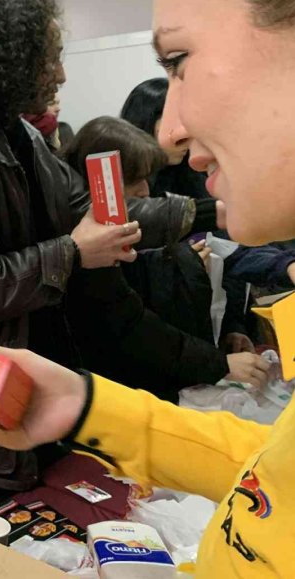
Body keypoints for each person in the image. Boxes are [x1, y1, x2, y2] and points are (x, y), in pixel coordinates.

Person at [0, 0, 295, 575]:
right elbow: (274, 479)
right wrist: (86, 401)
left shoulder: (28, 144)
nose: (169, 130)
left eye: (182, 60)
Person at [0, 0, 202, 543]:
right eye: (50, 57)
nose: (60, 72)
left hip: (28, 378)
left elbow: (93, 213)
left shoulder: (25, 139)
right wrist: (72, 253)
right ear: (12, 61)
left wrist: (202, 211)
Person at [60, 116, 267, 397]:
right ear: (100, 182)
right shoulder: (92, 253)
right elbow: (133, 326)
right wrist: (218, 363)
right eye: (134, 181)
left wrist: (231, 328)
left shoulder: (146, 224)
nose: (145, 191)